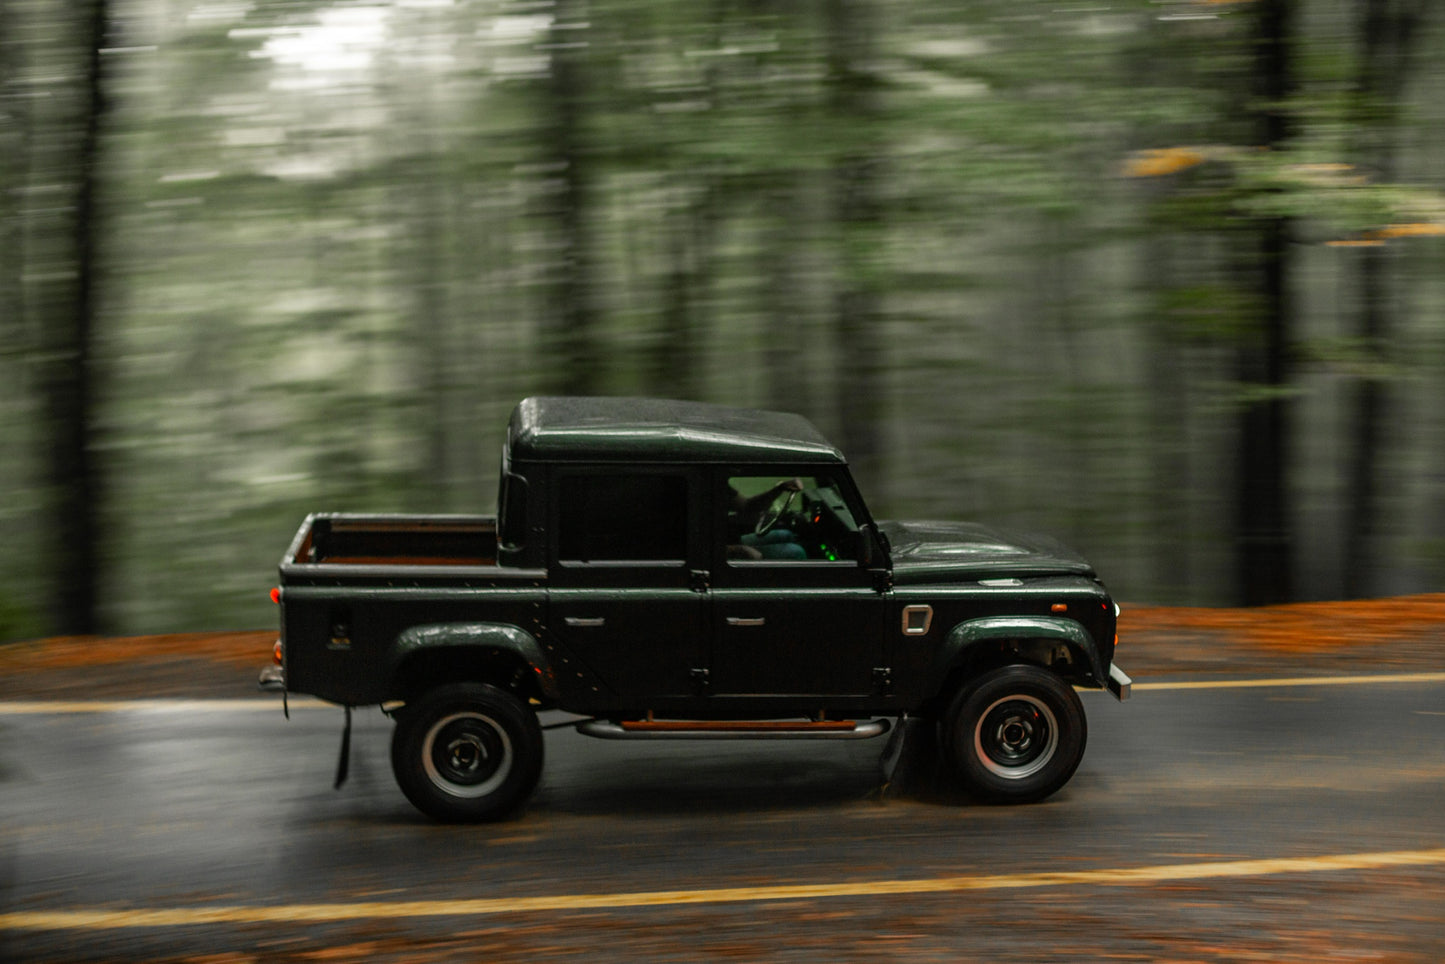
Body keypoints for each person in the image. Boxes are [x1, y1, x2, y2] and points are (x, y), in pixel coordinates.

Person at [728, 478, 807, 560]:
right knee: (796, 552)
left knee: (787, 535)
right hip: (727, 553)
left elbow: (747, 506)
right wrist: (736, 550)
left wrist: (779, 488)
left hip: (733, 540)